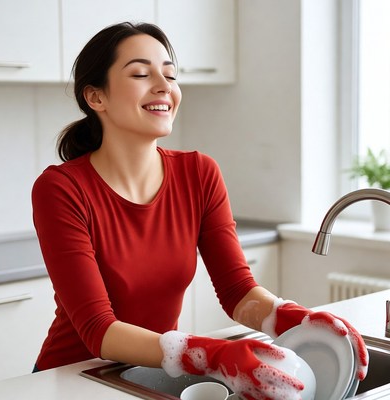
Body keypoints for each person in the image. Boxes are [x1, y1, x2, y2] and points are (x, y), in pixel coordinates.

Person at [31, 22, 368, 399]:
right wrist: (212, 352)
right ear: (96, 97)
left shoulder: (199, 173)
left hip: (150, 373)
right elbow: (98, 329)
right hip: (68, 379)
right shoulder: (61, 188)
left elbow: (237, 290)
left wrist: (292, 316)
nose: (164, 86)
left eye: (170, 74)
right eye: (141, 74)